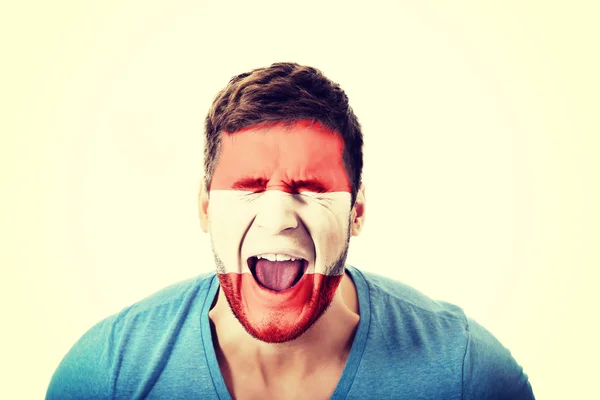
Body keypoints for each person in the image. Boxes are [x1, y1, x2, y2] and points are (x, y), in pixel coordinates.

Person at [46, 62, 535, 399]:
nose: (278, 218)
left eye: (309, 187)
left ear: (357, 213)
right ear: (204, 208)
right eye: (250, 187)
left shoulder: (466, 374)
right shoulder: (106, 375)